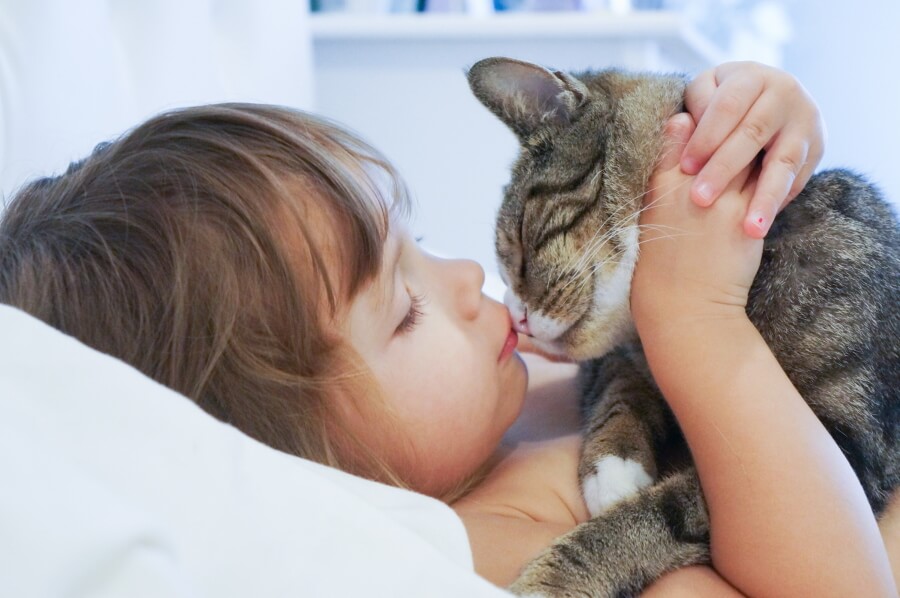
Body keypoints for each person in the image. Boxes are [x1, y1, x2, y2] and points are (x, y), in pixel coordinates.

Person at [0, 61, 895, 596]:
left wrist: (747, 129)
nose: (470, 280)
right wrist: (696, 328)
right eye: (406, 308)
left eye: (420, 242)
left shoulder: (521, 396)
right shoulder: (492, 533)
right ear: (305, 453)